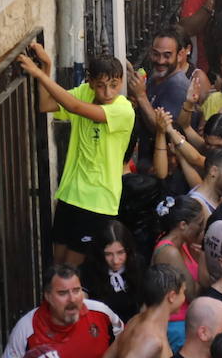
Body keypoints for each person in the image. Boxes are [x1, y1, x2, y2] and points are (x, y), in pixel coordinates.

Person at [17, 43, 134, 266]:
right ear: (90, 82)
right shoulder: (84, 92)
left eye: (114, 85)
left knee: (72, 270)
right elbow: (46, 104)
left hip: (98, 202)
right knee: (57, 265)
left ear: (121, 82)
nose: (107, 92)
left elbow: (75, 108)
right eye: (100, 86)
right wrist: (47, 66)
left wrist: (38, 74)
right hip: (70, 195)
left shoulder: (123, 109)